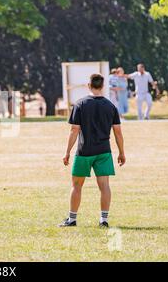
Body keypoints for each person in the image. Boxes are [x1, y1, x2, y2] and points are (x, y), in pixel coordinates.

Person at [61, 74, 125, 228]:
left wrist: (67, 152)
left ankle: (72, 219)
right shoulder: (110, 106)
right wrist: (122, 152)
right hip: (104, 151)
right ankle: (103, 220)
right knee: (104, 186)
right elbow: (118, 132)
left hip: (84, 151)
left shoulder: (80, 104)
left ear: (88, 85)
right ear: (102, 86)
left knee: (76, 185)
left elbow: (74, 131)